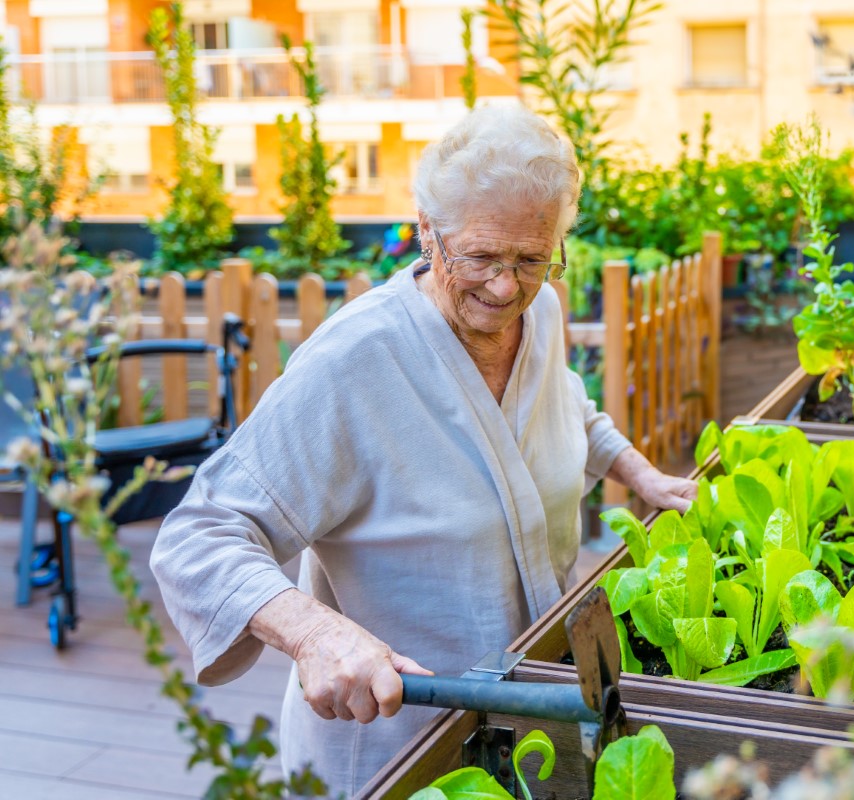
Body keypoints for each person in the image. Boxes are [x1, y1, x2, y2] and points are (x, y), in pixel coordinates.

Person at [149, 104, 697, 797]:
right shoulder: (353, 362)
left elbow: (562, 407)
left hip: (528, 726)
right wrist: (315, 634)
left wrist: (639, 472)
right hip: (394, 741)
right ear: (427, 234)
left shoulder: (541, 312)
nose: (506, 287)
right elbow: (200, 535)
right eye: (481, 257)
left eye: (532, 259)